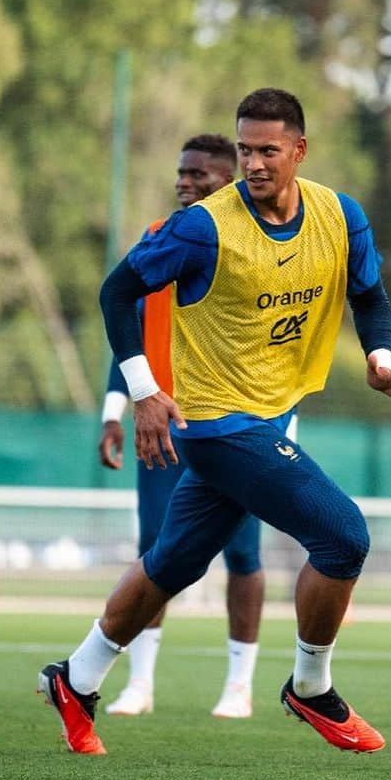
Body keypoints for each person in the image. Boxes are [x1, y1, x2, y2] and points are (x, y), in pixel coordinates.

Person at [39, 86, 391, 755]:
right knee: (344, 538)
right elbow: (117, 292)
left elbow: (370, 294)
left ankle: (78, 676)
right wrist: (144, 391)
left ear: (300, 151)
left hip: (268, 418)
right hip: (217, 425)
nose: (255, 163)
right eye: (244, 150)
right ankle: (310, 687)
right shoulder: (203, 227)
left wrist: (382, 358)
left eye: (269, 150)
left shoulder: (339, 215)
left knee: (171, 564)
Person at [98, 133, 285, 719]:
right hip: (166, 427)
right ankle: (141, 682)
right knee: (155, 548)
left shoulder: (255, 249)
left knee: (243, 555)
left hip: (239, 425)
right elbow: (124, 326)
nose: (186, 182)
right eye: (182, 172)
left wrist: (285, 424)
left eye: (200, 174)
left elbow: (283, 347)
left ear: (230, 179)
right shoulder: (156, 241)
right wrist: (113, 411)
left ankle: (238, 685)